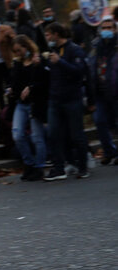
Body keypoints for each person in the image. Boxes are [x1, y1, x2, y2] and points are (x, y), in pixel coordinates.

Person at [43, 23, 90, 181]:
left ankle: (83, 166)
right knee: (54, 134)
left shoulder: (74, 50)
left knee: (77, 135)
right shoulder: (53, 51)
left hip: (72, 100)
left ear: (57, 34)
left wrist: (60, 62)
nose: (47, 38)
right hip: (55, 100)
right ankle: (59, 167)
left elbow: (79, 72)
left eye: (49, 35)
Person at [9, 35, 49, 181]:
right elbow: (14, 82)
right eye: (15, 51)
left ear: (26, 47)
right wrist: (11, 89)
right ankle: (29, 163)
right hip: (21, 103)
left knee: (37, 137)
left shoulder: (38, 60)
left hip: (35, 103)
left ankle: (39, 167)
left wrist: (31, 87)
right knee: (18, 134)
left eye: (19, 50)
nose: (17, 53)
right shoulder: (17, 63)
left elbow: (44, 82)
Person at [88, 18, 118, 165]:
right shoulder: (95, 47)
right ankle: (109, 152)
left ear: (115, 29)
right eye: (104, 28)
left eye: (109, 28)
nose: (106, 30)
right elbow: (90, 66)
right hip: (99, 92)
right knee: (99, 121)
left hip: (115, 91)